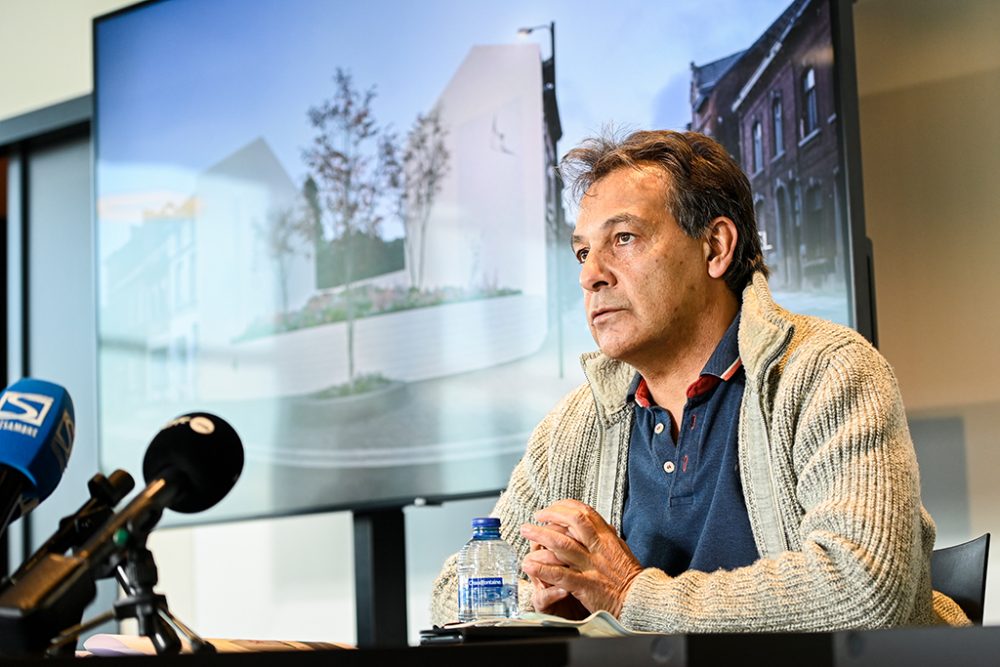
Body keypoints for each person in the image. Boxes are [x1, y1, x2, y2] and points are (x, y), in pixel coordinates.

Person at [430, 129, 968, 631]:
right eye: (583, 251)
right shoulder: (573, 426)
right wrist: (546, 599)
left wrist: (627, 597)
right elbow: (454, 590)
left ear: (715, 247)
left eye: (623, 238)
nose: (590, 274)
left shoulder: (828, 370)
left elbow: (868, 590)